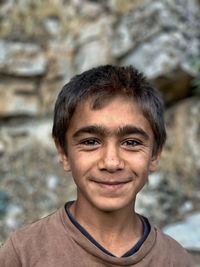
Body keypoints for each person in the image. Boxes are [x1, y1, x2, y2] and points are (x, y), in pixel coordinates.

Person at [0, 65, 194, 266]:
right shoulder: (24, 252)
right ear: (64, 153)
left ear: (154, 154)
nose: (111, 162)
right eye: (90, 142)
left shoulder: (176, 261)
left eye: (132, 142)